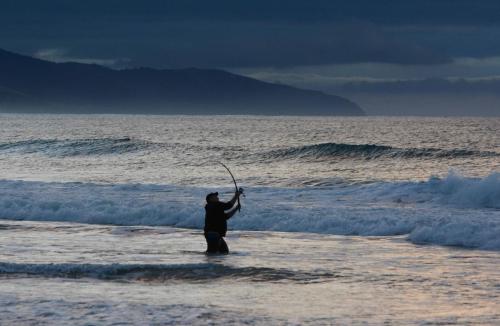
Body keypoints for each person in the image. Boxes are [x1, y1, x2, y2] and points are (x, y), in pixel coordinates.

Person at [204, 190, 242, 254]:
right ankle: (209, 264)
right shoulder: (214, 205)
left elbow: (226, 216)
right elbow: (229, 205)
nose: (217, 197)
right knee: (212, 253)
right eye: (214, 196)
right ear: (210, 199)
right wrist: (236, 195)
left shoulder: (214, 207)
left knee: (224, 252)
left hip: (216, 235)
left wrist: (235, 209)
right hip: (213, 234)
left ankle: (213, 263)